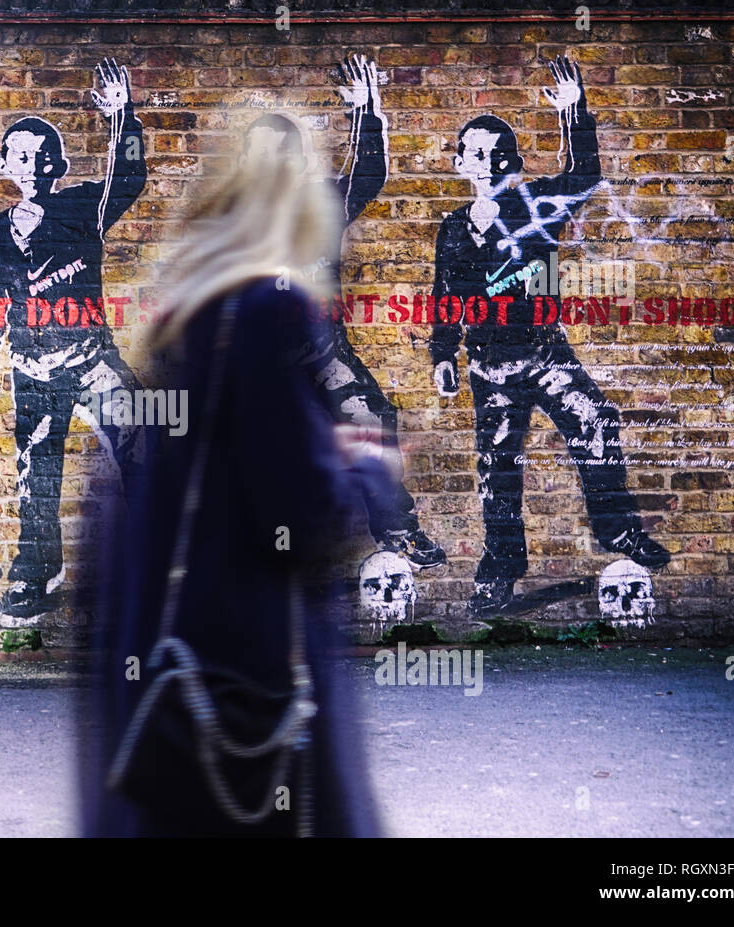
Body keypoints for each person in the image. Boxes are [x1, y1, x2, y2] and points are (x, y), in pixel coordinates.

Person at [83, 148, 390, 837]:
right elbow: (304, 510)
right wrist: (366, 471)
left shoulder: (186, 316)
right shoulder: (269, 310)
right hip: (248, 673)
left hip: (182, 659)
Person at [428, 56, 669, 615]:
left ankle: (619, 532)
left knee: (595, 419)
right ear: (461, 162)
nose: (484, 162)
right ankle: (502, 565)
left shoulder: (537, 205)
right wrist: (443, 354)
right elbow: (446, 297)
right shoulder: (452, 229)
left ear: (509, 159)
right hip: (490, 368)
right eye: (474, 153)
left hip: (546, 354)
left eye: (495, 153)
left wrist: (574, 111)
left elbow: (585, 173)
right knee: (497, 468)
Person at [240, 54, 445, 569]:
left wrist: (366, 111)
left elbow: (368, 175)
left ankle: (399, 530)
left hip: (326, 351)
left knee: (371, 423)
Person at [0, 58, 147, 620]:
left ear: (59, 164)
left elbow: (129, 177)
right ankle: (35, 569)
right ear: (4, 164)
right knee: (35, 473)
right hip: (32, 367)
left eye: (43, 155)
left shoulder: (81, 208)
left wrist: (123, 117)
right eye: (20, 155)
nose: (32, 164)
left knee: (142, 437)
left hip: (92, 358)